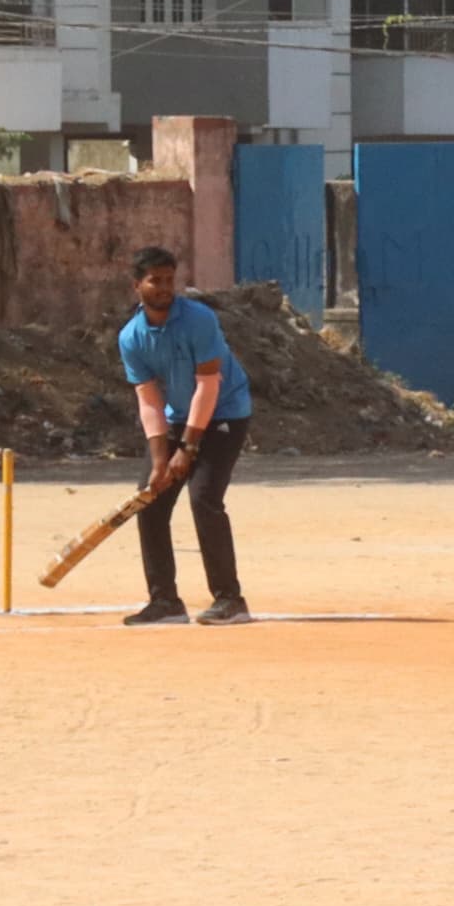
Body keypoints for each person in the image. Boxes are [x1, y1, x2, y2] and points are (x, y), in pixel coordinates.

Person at [114, 246, 251, 627]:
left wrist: (188, 449)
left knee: (204, 497)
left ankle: (230, 599)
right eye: (154, 280)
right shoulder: (131, 337)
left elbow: (209, 385)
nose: (163, 288)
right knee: (150, 500)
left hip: (225, 412)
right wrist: (161, 458)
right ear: (136, 285)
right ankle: (165, 602)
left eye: (169, 279)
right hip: (177, 415)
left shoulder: (199, 320)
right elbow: (148, 399)